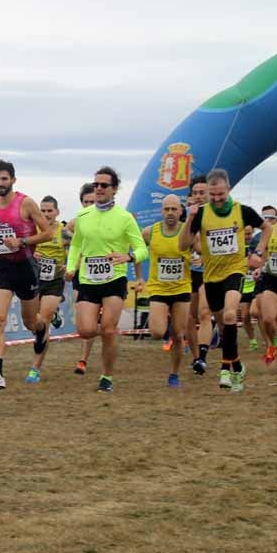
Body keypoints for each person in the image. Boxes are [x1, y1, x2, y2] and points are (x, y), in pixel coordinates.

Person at [178, 168, 268, 391]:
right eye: (213, 195)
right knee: (222, 321)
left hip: (235, 270)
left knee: (230, 314)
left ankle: (225, 369)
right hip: (212, 276)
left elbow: (266, 228)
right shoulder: (201, 214)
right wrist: (189, 219)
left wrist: (257, 252)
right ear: (208, 192)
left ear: (228, 189)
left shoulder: (242, 211)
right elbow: (182, 245)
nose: (217, 200)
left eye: (221, 195)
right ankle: (237, 364)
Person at [65, 166, 148, 393]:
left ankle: (107, 376)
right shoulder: (83, 216)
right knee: (86, 330)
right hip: (88, 279)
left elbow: (142, 249)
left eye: (104, 185)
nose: (99, 189)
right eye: (96, 185)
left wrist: (128, 256)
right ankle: (97, 328)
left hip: (114, 279)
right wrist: (71, 266)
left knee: (109, 330)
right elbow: (75, 245)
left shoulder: (125, 218)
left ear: (114, 189)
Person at [0, 160, 52, 389]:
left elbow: (48, 233)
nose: (0, 183)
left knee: (31, 321)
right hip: (1, 268)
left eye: (4, 179)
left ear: (13, 180)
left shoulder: (26, 203)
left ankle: (41, 330)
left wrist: (23, 241)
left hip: (25, 267)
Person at [141, 194, 191, 388]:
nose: (170, 213)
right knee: (156, 332)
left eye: (174, 209)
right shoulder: (150, 232)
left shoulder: (187, 232)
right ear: (161, 211)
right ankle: (165, 323)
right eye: (166, 209)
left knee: (178, 335)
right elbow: (136, 249)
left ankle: (174, 374)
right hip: (159, 288)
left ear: (180, 211)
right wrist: (138, 276)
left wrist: (199, 258)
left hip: (181, 288)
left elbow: (201, 249)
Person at [26, 195, 67, 383]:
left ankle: (35, 368)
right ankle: (55, 314)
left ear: (57, 212)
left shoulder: (64, 232)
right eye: (43, 210)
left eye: (50, 210)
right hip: (35, 281)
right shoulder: (33, 230)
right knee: (36, 325)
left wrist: (69, 265)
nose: (46, 214)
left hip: (54, 282)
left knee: (44, 320)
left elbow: (77, 249)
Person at [65, 183, 97, 374]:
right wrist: (70, 263)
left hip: (105, 276)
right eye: (86, 202)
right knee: (85, 323)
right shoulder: (76, 222)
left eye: (92, 201)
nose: (89, 205)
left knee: (100, 323)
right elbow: (63, 237)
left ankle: (83, 359)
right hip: (82, 275)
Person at [185, 175, 214, 374]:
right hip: (188, 273)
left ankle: (203, 357)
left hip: (210, 272)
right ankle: (196, 357)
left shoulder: (217, 215)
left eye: (201, 193)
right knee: (189, 317)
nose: (198, 196)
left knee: (205, 313)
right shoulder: (185, 214)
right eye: (194, 193)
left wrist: (205, 254)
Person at [251, 206, 277, 364]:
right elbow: (266, 254)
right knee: (267, 318)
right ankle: (273, 343)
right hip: (272, 279)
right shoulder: (271, 231)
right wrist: (259, 268)